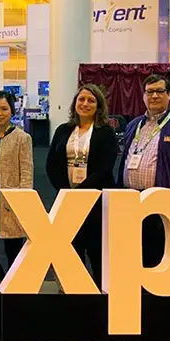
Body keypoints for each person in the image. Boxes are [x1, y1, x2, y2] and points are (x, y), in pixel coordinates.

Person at [117, 74, 170, 268]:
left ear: (169, 94)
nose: (154, 96)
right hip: (131, 200)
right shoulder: (133, 125)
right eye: (149, 92)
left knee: (158, 252)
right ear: (143, 96)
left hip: (161, 201)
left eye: (159, 91)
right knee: (131, 251)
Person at [46, 84, 118, 288]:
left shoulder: (105, 132)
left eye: (91, 100)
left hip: (96, 201)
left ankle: (101, 293)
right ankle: (73, 293)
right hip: (67, 200)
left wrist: (81, 193)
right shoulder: (63, 130)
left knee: (97, 249)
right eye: (81, 99)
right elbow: (51, 164)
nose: (85, 104)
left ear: (99, 106)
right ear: (75, 103)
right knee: (71, 249)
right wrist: (66, 192)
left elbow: (105, 168)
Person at [0, 90, 34, 282]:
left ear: (12, 111)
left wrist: (23, 200)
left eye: (4, 108)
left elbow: (27, 172)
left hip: (10, 201)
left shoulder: (22, 138)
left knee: (13, 251)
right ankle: (1, 281)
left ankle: (14, 287)